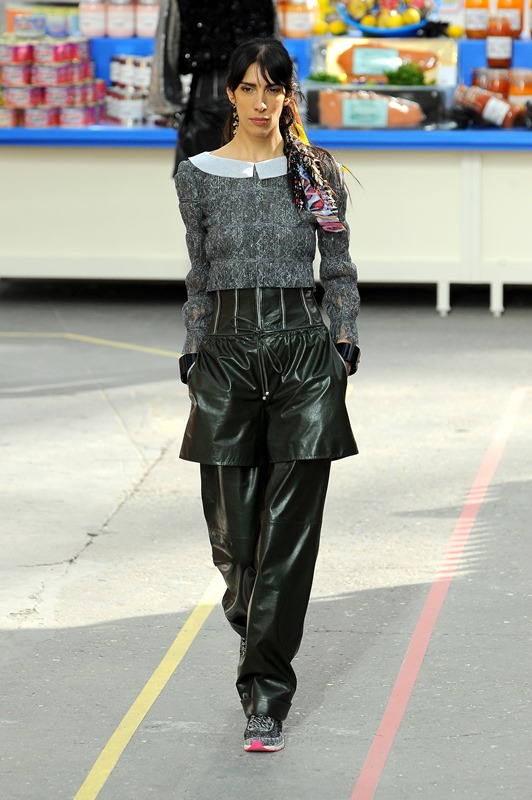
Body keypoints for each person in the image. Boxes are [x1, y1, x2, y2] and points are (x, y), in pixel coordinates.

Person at [175, 38, 361, 753]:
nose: (261, 102)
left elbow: (338, 268)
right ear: (229, 94)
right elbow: (199, 272)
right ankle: (259, 641)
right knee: (235, 543)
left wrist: (342, 341)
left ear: (289, 94)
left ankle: (266, 696)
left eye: (273, 88)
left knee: (289, 538)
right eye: (249, 88)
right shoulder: (196, 176)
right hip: (225, 356)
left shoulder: (315, 171)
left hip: (302, 357)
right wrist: (194, 347)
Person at [148, 0, 278, 174]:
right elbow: (165, 57)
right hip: (206, 113)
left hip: (254, 111)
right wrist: (170, 109)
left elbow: (276, 57)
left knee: (259, 181)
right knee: (206, 181)